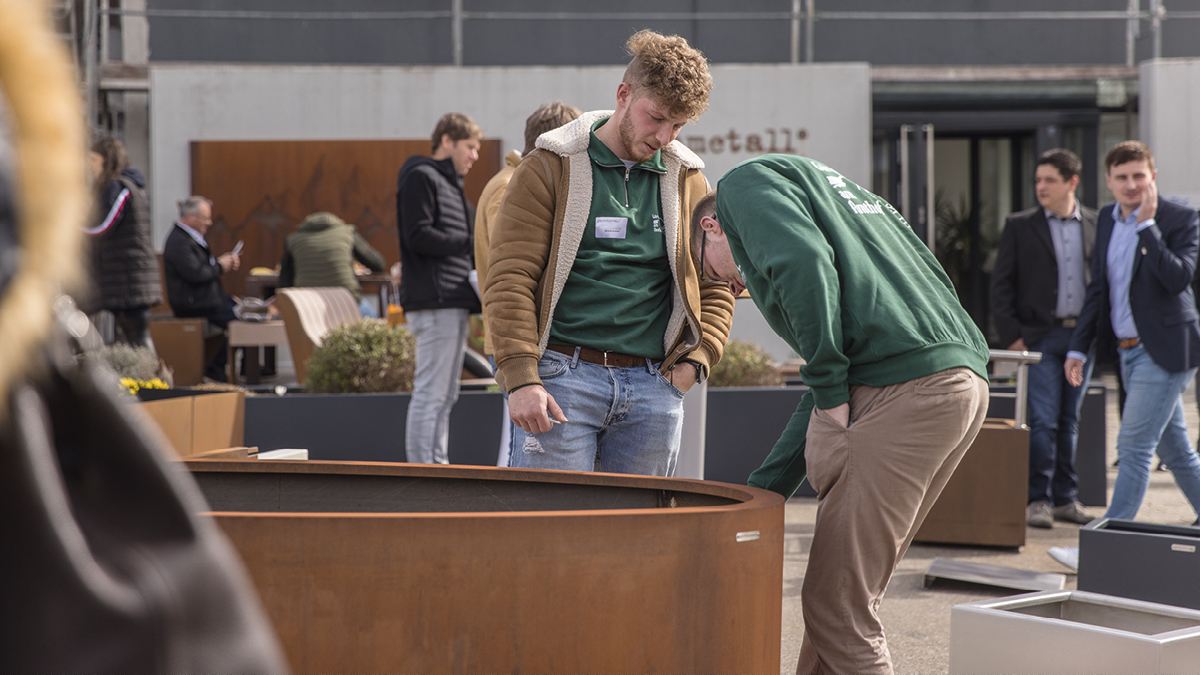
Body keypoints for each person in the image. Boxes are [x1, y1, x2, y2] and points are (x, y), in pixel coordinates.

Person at [692, 155, 990, 675]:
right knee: (840, 593)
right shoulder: (854, 205)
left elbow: (803, 263)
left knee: (839, 607)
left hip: (906, 393)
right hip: (960, 381)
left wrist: (829, 385)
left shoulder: (742, 185)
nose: (732, 290)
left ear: (710, 226)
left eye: (709, 273)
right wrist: (764, 490)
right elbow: (833, 382)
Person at [484, 30, 733, 476]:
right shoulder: (548, 168)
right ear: (623, 95)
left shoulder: (688, 180)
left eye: (677, 125)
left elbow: (717, 279)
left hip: (654, 388)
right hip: (560, 380)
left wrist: (696, 363)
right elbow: (509, 279)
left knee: (640, 539)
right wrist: (521, 377)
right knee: (552, 534)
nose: (665, 135)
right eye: (656, 117)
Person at [1051, 141, 1200, 569]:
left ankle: (1104, 551)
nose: (1131, 184)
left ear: (1152, 176)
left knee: (1133, 445)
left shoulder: (1178, 218)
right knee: (1176, 451)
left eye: (1139, 175)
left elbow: (1178, 279)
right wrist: (1080, 346)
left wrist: (1148, 227)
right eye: (1122, 177)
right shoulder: (1107, 220)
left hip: (1168, 350)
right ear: (1109, 181)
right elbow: (1099, 290)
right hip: (1128, 352)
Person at [991, 148, 1099, 529]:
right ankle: (1038, 498)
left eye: (1049, 180)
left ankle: (1065, 499)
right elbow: (1001, 284)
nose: (1041, 187)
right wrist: (1014, 338)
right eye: (1038, 180)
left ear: (1072, 182)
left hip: (1080, 341)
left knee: (1070, 420)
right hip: (1038, 340)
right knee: (1043, 421)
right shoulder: (1020, 226)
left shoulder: (1097, 224)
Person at [474, 101, 582, 467]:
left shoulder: (504, 181)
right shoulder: (514, 186)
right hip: (521, 338)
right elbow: (510, 268)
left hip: (516, 336)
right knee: (523, 450)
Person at [397, 112, 483, 464]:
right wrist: (473, 243)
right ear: (446, 141)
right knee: (431, 395)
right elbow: (417, 235)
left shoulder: (449, 185)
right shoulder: (421, 177)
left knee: (445, 395)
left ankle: (436, 468)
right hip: (435, 303)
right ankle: (424, 474)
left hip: (450, 301)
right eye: (470, 146)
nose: (475, 156)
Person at [83, 137, 161, 350]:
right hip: (126, 276)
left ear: (106, 160)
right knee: (136, 337)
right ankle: (148, 380)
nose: (90, 165)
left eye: (93, 159)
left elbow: (103, 226)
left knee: (138, 337)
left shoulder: (117, 187)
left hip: (127, 278)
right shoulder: (131, 186)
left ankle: (153, 381)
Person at [162, 196, 240, 382]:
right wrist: (220, 266)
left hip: (205, 300)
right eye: (205, 218)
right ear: (191, 217)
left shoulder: (190, 238)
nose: (210, 222)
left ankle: (220, 366)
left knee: (242, 310)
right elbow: (196, 274)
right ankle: (215, 367)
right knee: (240, 322)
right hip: (194, 303)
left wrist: (220, 263)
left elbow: (201, 268)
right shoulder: (179, 241)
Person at [278, 211, 387, 318]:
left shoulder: (293, 239)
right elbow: (377, 264)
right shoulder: (347, 232)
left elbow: (284, 282)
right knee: (373, 320)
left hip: (307, 304)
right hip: (346, 299)